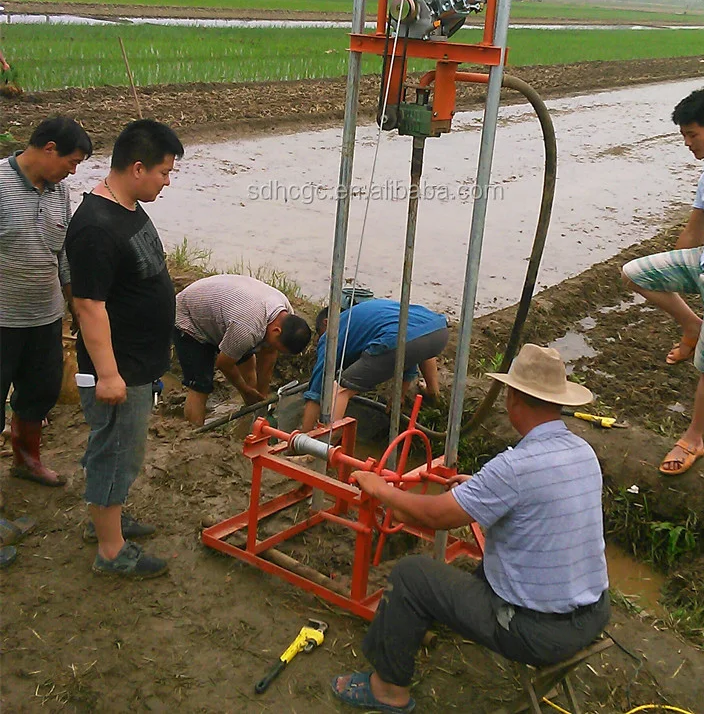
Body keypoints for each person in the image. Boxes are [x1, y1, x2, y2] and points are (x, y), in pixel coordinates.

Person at [330, 344, 610, 714]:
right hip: (593, 614)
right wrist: (480, 490)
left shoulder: (514, 468)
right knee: (482, 569)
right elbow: (535, 503)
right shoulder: (582, 452)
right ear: (558, 403)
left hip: (537, 633)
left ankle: (387, 691)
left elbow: (434, 517)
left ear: (512, 398)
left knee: (412, 575)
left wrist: (381, 490)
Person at [65, 119, 184, 580]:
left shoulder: (127, 208)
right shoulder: (96, 227)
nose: (167, 182)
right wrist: (109, 374)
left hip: (137, 361)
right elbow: (88, 306)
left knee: (122, 451)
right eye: (164, 172)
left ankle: (108, 518)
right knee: (115, 451)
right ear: (137, 168)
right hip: (119, 367)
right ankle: (110, 550)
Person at [622, 86, 704, 476]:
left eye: (692, 135)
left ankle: (694, 438)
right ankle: (692, 325)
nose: (687, 143)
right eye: (684, 135)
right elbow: (695, 228)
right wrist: (673, 266)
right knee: (635, 273)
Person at [0, 115, 92, 486]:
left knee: (40, 392)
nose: (72, 172)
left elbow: (64, 255)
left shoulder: (60, 194)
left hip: (44, 318)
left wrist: (75, 306)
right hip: (2, 319)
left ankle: (26, 460)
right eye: (71, 162)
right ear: (49, 149)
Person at [174, 274, 312, 426]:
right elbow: (224, 363)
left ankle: (250, 421)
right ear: (276, 331)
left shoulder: (285, 311)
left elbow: (269, 354)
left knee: (249, 376)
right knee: (201, 385)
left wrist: (261, 398)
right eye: (278, 347)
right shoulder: (247, 329)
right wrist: (244, 390)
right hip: (190, 317)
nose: (275, 349)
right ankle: (194, 431)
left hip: (225, 314)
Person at [301, 299, 448, 432]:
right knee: (416, 339)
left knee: (340, 390)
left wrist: (303, 436)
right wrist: (399, 395)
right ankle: (433, 393)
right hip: (438, 331)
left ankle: (325, 445)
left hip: (398, 341)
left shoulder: (331, 334)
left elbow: (317, 389)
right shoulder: (365, 316)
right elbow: (408, 349)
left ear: (326, 323)